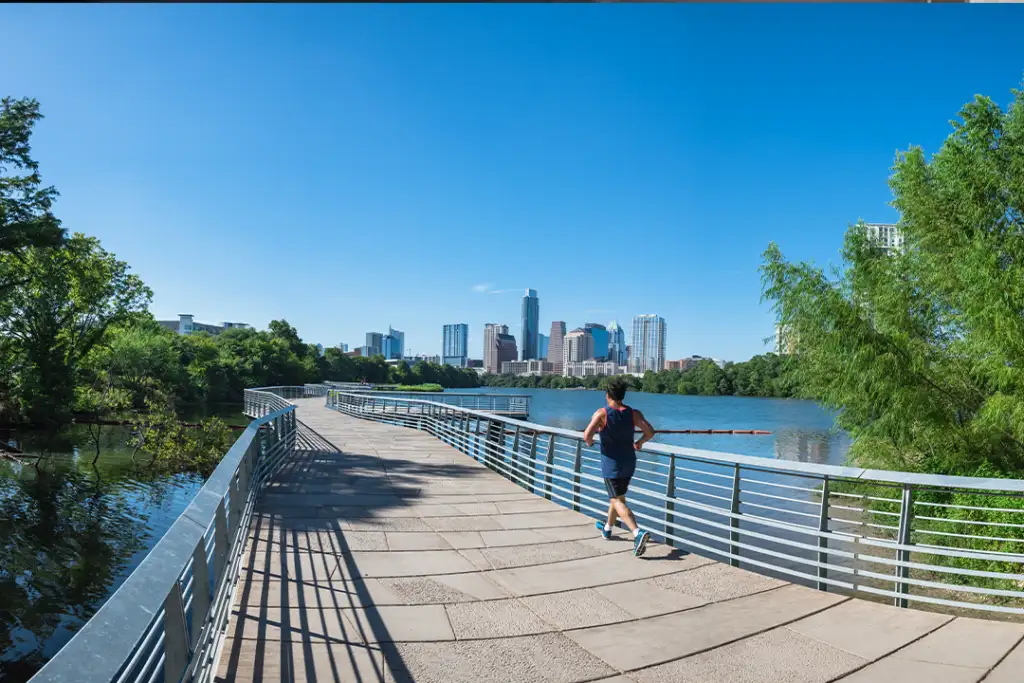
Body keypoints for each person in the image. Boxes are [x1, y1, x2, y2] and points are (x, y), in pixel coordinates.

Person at [583, 379, 655, 557]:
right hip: (629, 462)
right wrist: (639, 443)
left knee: (616, 500)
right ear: (623, 396)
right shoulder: (633, 413)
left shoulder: (602, 414)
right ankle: (607, 529)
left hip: (611, 464)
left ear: (607, 396)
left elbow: (586, 435)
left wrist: (591, 442)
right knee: (617, 497)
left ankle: (637, 532)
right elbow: (650, 432)